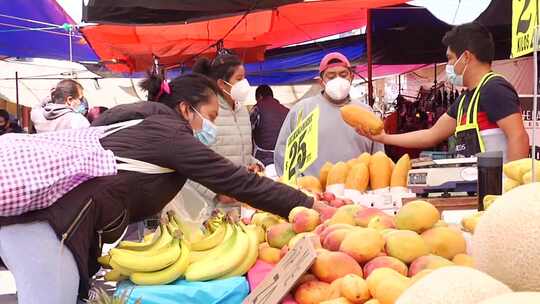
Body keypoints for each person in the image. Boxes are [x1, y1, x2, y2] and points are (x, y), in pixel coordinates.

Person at [0, 73, 330, 303]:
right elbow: (237, 180)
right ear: (186, 109)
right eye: (210, 116)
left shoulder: (139, 121)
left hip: (45, 225)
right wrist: (307, 204)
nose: (212, 126)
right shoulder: (170, 134)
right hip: (45, 231)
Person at [359, 23, 529, 162]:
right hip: (477, 189)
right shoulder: (465, 100)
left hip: (500, 191)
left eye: (450, 58)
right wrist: (383, 138)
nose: (448, 65)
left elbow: (518, 136)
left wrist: (512, 188)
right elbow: (431, 135)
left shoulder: (494, 88)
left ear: (467, 57)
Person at [274, 52, 384, 177]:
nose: (338, 80)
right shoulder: (302, 110)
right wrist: (300, 187)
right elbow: (283, 153)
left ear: (351, 77)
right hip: (313, 193)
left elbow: (378, 158)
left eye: (343, 75)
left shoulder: (366, 112)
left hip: (358, 191)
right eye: (331, 76)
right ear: (321, 82)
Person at [188, 52, 262, 211]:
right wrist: (216, 193)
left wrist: (254, 165)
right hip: (212, 210)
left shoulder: (242, 111)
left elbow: (240, 152)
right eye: (239, 79)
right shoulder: (205, 113)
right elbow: (189, 163)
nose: (245, 84)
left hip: (242, 204)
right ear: (221, 84)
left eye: (245, 78)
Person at [250, 85, 289, 167]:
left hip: (263, 159)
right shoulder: (287, 111)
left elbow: (247, 132)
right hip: (284, 158)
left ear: (260, 96)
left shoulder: (257, 109)